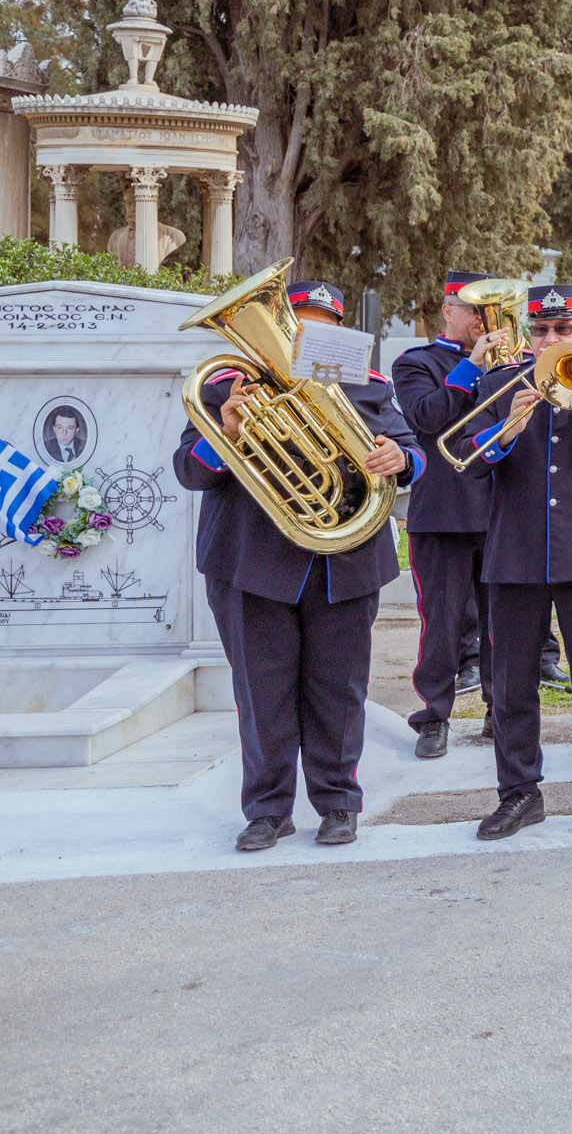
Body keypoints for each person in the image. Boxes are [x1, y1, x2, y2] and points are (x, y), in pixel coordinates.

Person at [174, 277, 422, 852]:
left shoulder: (369, 388)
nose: (303, 341)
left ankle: (338, 803)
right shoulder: (224, 387)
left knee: (339, 689)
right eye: (296, 326)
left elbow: (415, 457)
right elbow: (188, 471)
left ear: (339, 337)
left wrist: (398, 458)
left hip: (345, 565)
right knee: (261, 692)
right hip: (250, 563)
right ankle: (267, 810)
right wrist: (228, 435)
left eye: (320, 331)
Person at [450, 283, 572, 840]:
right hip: (513, 551)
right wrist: (506, 425)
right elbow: (467, 460)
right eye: (541, 331)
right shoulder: (496, 383)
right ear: (528, 335)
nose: (552, 340)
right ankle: (519, 794)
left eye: (563, 330)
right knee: (510, 684)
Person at [394, 269, 504, 758]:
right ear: (448, 311)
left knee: (503, 622)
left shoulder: (514, 363)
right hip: (442, 511)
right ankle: (434, 716)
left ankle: (502, 710)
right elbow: (426, 418)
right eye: (472, 307)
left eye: (489, 308)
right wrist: (473, 367)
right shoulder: (416, 363)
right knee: (439, 622)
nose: (481, 318)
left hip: (501, 510)